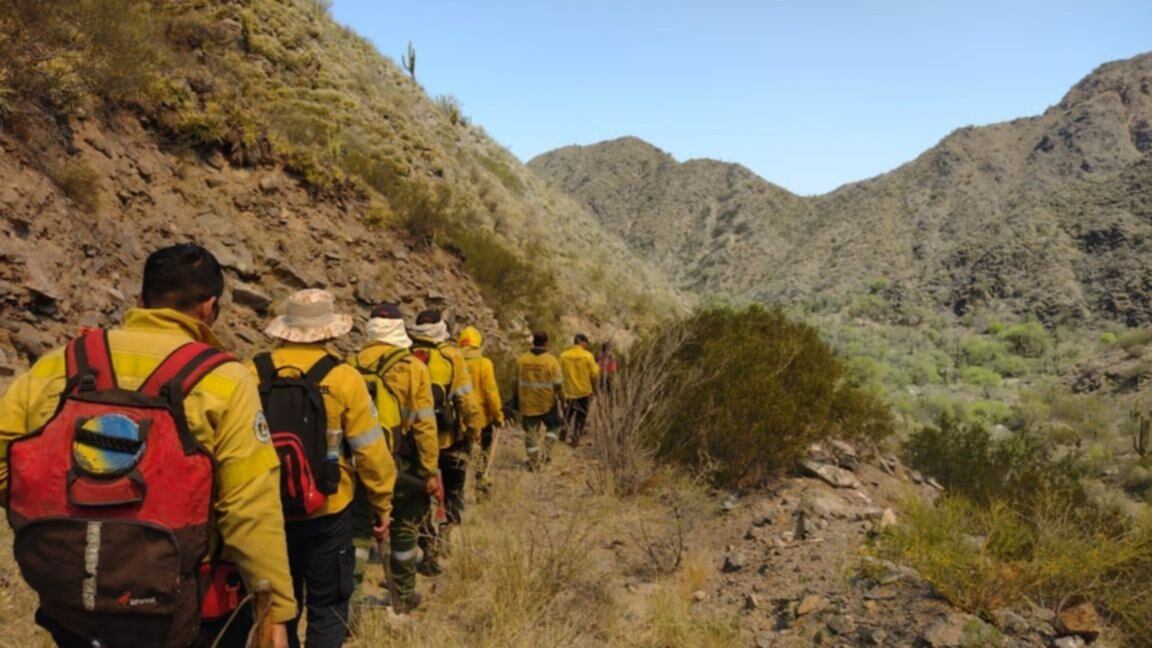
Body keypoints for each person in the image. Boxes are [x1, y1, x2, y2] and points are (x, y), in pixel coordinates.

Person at [0, 244, 295, 648]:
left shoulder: (62, 362)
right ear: (209, 307)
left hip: (70, 598)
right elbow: (250, 507)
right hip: (175, 605)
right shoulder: (225, 379)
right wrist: (274, 609)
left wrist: (45, 515)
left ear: (141, 299)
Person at [252, 289, 394, 648]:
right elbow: (370, 452)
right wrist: (382, 504)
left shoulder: (250, 370)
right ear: (330, 331)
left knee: (276, 611)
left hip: (265, 511)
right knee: (328, 608)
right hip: (327, 509)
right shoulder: (345, 378)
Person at [349, 303, 440, 612]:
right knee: (403, 531)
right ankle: (402, 595)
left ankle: (350, 603)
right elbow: (425, 425)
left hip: (359, 463)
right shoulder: (413, 367)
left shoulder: (349, 364)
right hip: (402, 465)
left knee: (358, 533)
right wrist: (429, 471)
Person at [408, 309, 482, 572]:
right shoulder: (451, 357)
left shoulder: (404, 355)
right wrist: (474, 431)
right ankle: (446, 537)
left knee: (418, 496)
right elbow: (466, 401)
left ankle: (425, 544)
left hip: (412, 442)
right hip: (448, 439)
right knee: (452, 491)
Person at [457, 326, 504, 495]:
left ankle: (457, 492)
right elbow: (491, 393)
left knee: (460, 459)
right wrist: (498, 416)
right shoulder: (484, 364)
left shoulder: (454, 362)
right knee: (483, 455)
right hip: (482, 420)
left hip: (459, 421)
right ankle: (481, 487)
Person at [513, 331, 564, 470]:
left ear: (533, 341)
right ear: (546, 343)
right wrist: (562, 399)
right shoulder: (551, 361)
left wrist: (515, 401)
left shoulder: (521, 360)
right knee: (555, 425)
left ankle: (534, 463)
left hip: (527, 403)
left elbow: (515, 383)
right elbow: (558, 384)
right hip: (547, 404)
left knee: (531, 433)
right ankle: (547, 449)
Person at [560, 333, 600, 446]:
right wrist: (596, 390)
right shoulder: (588, 356)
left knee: (567, 414)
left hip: (568, 391)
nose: (586, 345)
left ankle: (562, 434)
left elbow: (558, 373)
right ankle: (575, 439)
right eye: (586, 343)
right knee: (581, 417)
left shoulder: (563, 355)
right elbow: (594, 374)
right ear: (582, 342)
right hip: (584, 392)